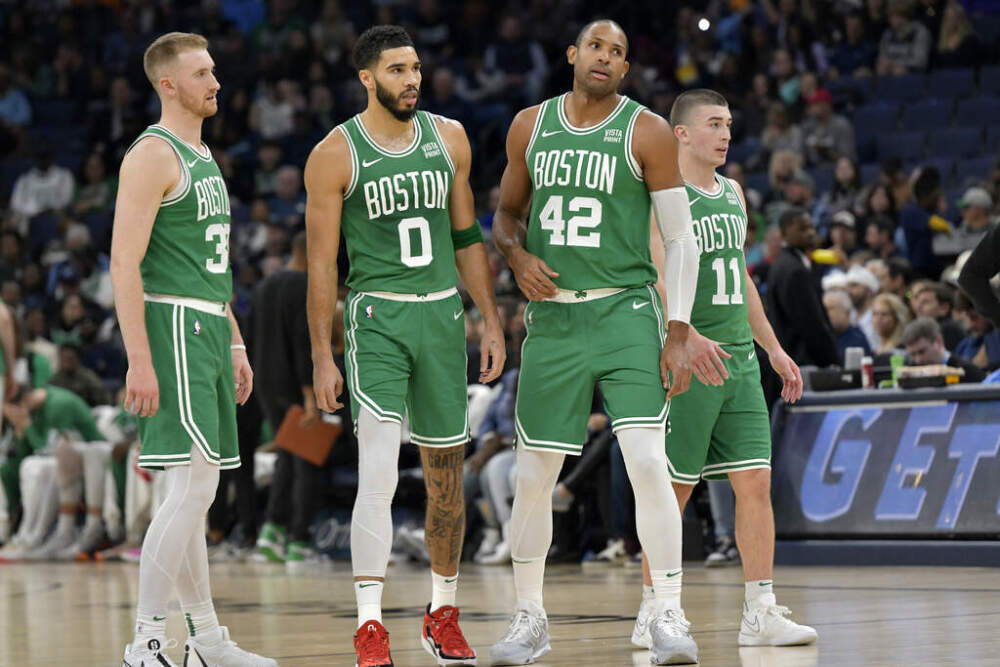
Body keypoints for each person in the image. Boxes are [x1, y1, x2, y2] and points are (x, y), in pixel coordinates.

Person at [487, 20, 725, 666]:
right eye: (597, 46)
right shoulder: (529, 126)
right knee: (533, 476)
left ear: (624, 69)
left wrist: (677, 330)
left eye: (619, 52)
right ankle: (529, 617)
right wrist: (514, 255)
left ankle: (666, 611)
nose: (607, 57)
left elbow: (682, 239)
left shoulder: (645, 130)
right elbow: (504, 216)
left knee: (649, 463)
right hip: (554, 320)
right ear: (572, 54)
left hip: (625, 312)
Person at [305, 25, 505, 667]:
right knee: (379, 472)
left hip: (443, 319)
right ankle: (369, 624)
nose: (411, 79)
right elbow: (320, 266)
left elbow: (468, 236)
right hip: (377, 319)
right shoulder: (335, 153)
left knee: (447, 479)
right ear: (367, 78)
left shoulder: (450, 138)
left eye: (415, 67)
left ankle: (441, 612)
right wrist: (321, 354)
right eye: (397, 70)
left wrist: (491, 319)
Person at [110, 32, 276, 667]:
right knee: (192, 492)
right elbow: (126, 261)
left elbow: (208, 265)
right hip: (172, 328)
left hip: (208, 323)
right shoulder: (152, 154)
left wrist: (234, 338)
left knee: (193, 491)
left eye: (215, 70)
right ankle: (149, 640)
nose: (215, 81)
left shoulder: (202, 156)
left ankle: (206, 640)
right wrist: (139, 357)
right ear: (168, 85)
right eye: (201, 73)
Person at [631, 89, 816, 652]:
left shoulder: (734, 193)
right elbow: (657, 276)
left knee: (754, 483)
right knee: (675, 491)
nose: (726, 133)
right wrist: (686, 333)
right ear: (681, 133)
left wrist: (774, 350)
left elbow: (742, 278)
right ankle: (653, 610)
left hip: (737, 358)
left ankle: (760, 609)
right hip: (689, 358)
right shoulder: (661, 195)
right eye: (714, 124)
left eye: (730, 124)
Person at [252, 231, 326, 570]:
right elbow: (301, 343)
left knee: (287, 453)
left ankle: (271, 531)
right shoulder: (303, 287)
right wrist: (310, 394)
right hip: (295, 386)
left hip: (266, 384)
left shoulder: (265, 286)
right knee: (306, 460)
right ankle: (299, 540)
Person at [765, 208, 840, 369]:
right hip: (804, 362)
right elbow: (811, 325)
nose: (810, 233)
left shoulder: (782, 263)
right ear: (784, 233)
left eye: (811, 227)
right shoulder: (794, 271)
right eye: (802, 229)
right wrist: (833, 361)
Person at [902, 317, 985, 382]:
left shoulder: (967, 372)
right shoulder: (909, 377)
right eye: (913, 354)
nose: (918, 360)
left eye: (922, 352)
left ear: (939, 341)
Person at [824, 289, 873, 363]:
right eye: (824, 309)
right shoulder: (825, 337)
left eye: (831, 308)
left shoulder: (857, 340)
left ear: (846, 311)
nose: (826, 314)